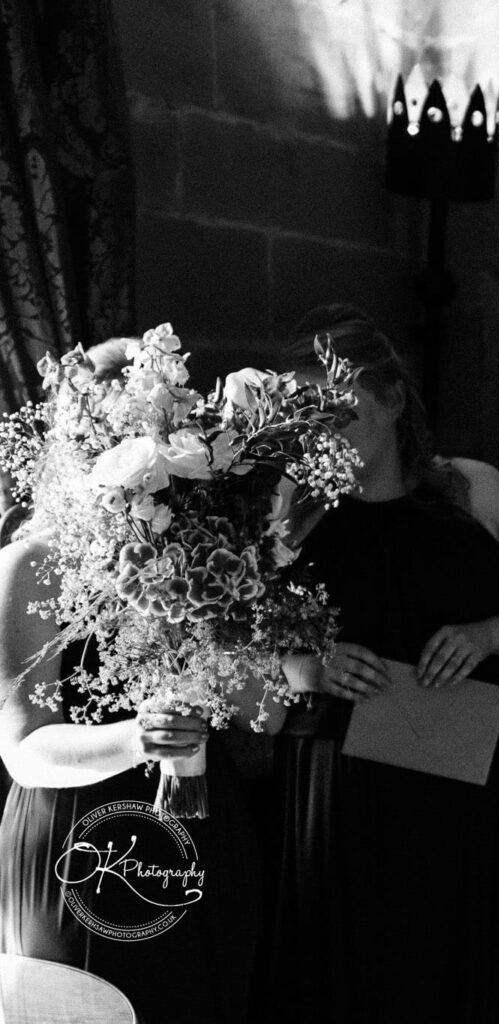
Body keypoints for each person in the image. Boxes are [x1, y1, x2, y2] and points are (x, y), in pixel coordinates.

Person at [263, 305, 499, 1022]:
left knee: (462, 963)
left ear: (395, 399)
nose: (324, 433)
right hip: (339, 781)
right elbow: (231, 646)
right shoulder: (291, 511)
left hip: (469, 774)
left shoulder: (472, 488)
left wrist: (489, 634)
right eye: (307, 417)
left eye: (341, 411)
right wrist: (304, 668)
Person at [0, 340, 270, 1024]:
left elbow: (257, 714)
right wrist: (139, 738)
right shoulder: (30, 565)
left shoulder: (205, 558)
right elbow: (23, 750)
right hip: (77, 845)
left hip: (200, 833)